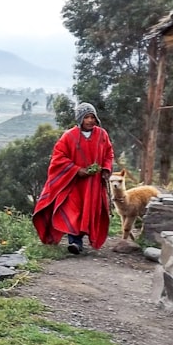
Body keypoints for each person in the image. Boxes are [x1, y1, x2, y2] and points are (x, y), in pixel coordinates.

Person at [32, 102, 114, 254]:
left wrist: (105, 169)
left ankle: (81, 239)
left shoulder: (102, 135)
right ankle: (74, 242)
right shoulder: (68, 137)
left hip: (93, 184)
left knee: (88, 211)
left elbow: (109, 154)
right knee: (72, 210)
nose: (90, 121)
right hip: (74, 183)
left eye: (92, 117)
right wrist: (77, 170)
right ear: (80, 119)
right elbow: (58, 157)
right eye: (86, 117)